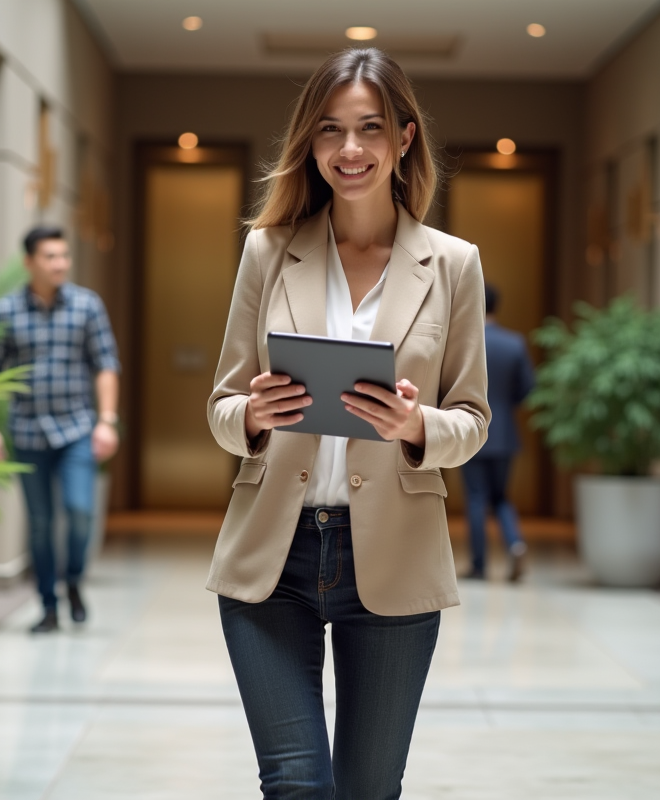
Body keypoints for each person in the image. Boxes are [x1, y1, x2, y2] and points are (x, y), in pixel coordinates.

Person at [206, 49, 490, 798]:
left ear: (404, 139)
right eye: (331, 130)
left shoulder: (454, 265)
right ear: (312, 142)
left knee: (369, 789)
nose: (350, 149)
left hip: (393, 562)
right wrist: (255, 417)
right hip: (275, 553)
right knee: (297, 784)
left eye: (369, 129)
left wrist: (414, 424)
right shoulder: (267, 253)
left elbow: (473, 419)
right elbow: (222, 407)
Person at [0, 226, 120, 634]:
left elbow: (106, 364)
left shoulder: (86, 306)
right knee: (39, 523)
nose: (60, 263)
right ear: (29, 263)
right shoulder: (5, 311)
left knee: (79, 512)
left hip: (77, 427)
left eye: (63, 256)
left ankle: (73, 581)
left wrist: (107, 422)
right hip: (26, 431)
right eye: (50, 257)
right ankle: (47, 605)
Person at [459, 284, 536, 582]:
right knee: (501, 497)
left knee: (476, 498)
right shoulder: (514, 343)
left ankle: (479, 565)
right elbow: (528, 389)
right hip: (504, 434)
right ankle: (514, 543)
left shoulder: (467, 341)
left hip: (471, 432)